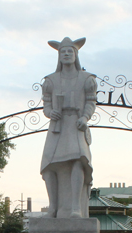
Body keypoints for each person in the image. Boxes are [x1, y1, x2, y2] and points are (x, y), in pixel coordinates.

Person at [41, 37, 97, 219]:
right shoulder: (50, 80)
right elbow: (47, 105)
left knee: (78, 161)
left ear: (75, 54)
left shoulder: (86, 79)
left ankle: (76, 208)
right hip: (57, 126)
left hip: (75, 124)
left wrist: (84, 117)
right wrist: (50, 112)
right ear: (59, 55)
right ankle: (53, 208)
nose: (66, 54)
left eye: (69, 51)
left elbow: (91, 101)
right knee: (48, 166)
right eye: (63, 51)